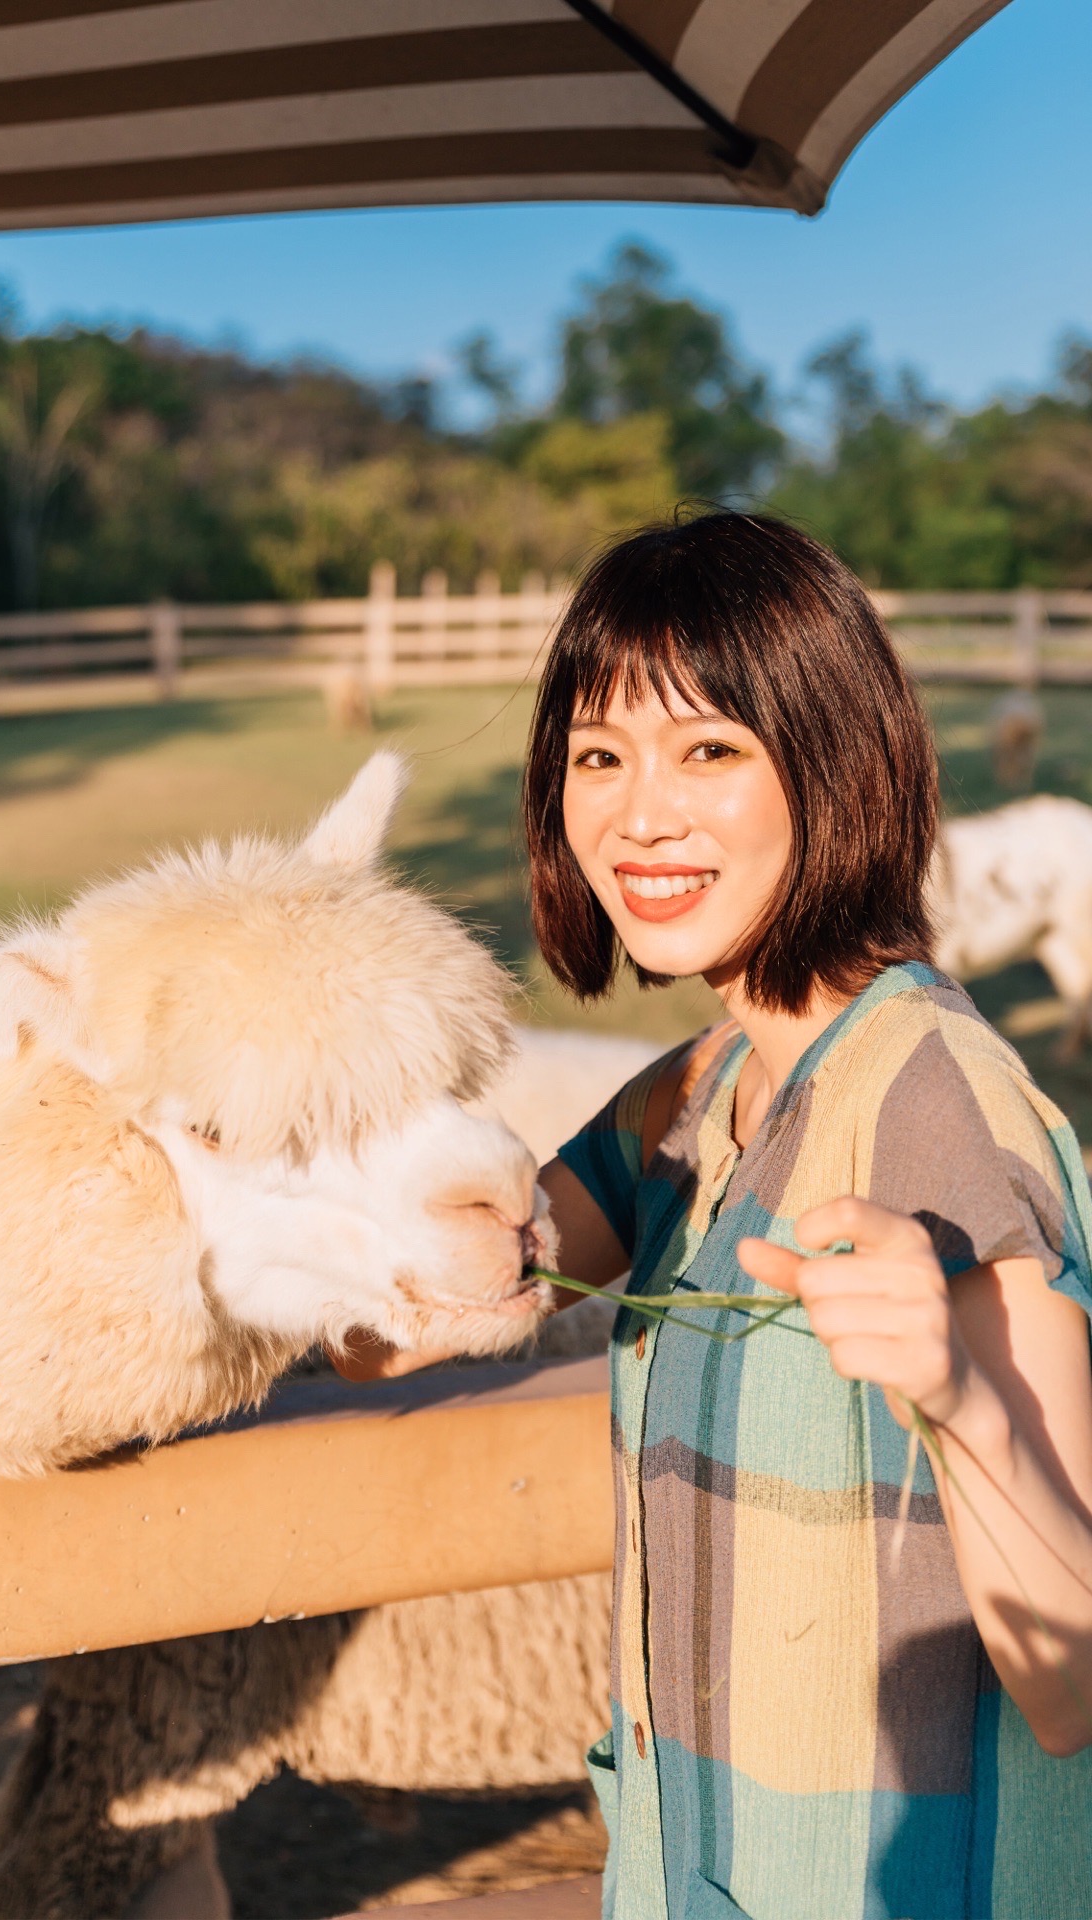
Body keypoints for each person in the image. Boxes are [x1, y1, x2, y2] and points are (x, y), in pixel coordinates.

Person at [336, 513, 1092, 1918]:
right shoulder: (694, 1096)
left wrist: (960, 1398)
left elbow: (1073, 1682)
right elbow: (398, 1324)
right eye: (599, 757)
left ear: (839, 767)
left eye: (711, 751)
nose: (639, 815)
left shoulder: (945, 1115)